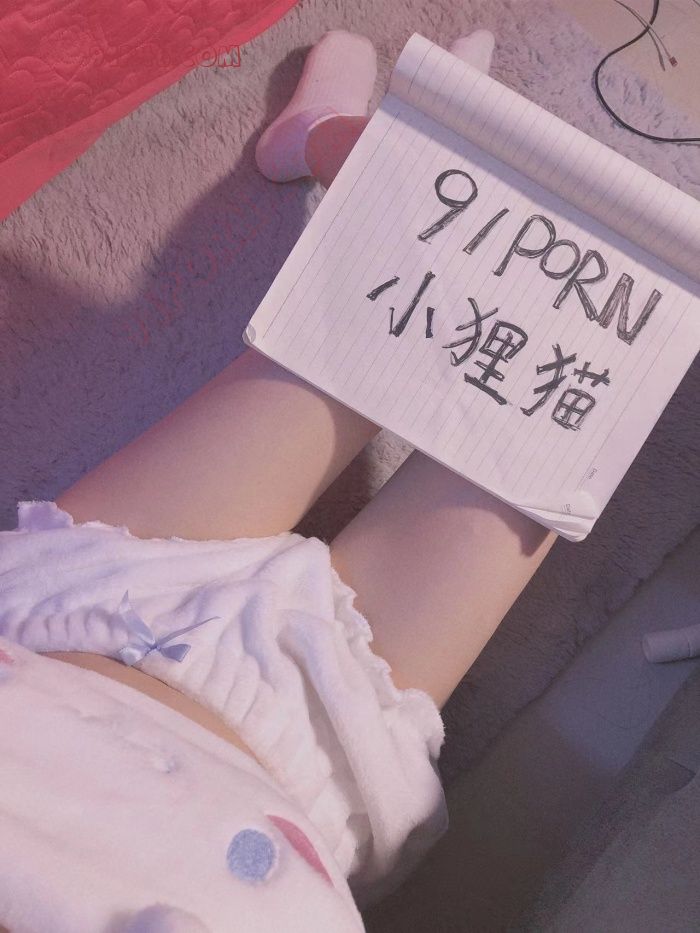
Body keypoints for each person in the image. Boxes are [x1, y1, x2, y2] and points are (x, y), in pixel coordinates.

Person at [0, 29, 555, 933]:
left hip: (81, 619)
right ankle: (422, 165)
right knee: (553, 403)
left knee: (366, 326)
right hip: (326, 777)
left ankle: (350, 143)